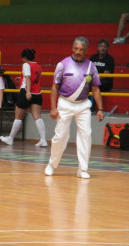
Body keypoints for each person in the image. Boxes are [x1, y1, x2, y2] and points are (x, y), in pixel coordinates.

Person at [44, 37, 105, 179]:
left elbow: (95, 89)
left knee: (86, 135)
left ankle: (82, 169)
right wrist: (53, 108)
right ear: (73, 48)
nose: (78, 51)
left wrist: (100, 109)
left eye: (81, 49)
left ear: (86, 50)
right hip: (65, 103)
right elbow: (54, 87)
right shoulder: (62, 64)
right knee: (60, 136)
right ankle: (51, 164)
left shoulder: (91, 67)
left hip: (84, 105)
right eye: (76, 48)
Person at [0, 49, 47, 147]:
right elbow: (33, 78)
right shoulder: (38, 66)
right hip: (37, 94)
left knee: (18, 116)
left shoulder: (26, 65)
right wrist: (21, 79)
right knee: (37, 117)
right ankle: (43, 139)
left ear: (24, 57)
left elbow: (29, 77)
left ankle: (10, 139)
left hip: (26, 92)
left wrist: (28, 91)